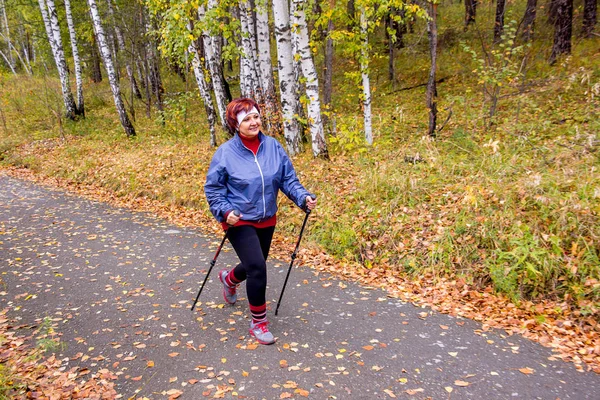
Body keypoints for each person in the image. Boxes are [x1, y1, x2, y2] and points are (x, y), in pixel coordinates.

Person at [204, 98, 317, 345]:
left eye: (255, 116)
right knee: (257, 267)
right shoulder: (225, 154)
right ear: (236, 124)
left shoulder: (273, 147)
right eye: (247, 119)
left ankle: (229, 278)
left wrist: (302, 197)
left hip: (267, 218)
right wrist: (225, 212)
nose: (254, 122)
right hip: (239, 219)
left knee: (254, 264)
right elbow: (213, 190)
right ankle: (258, 323)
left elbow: (288, 180)